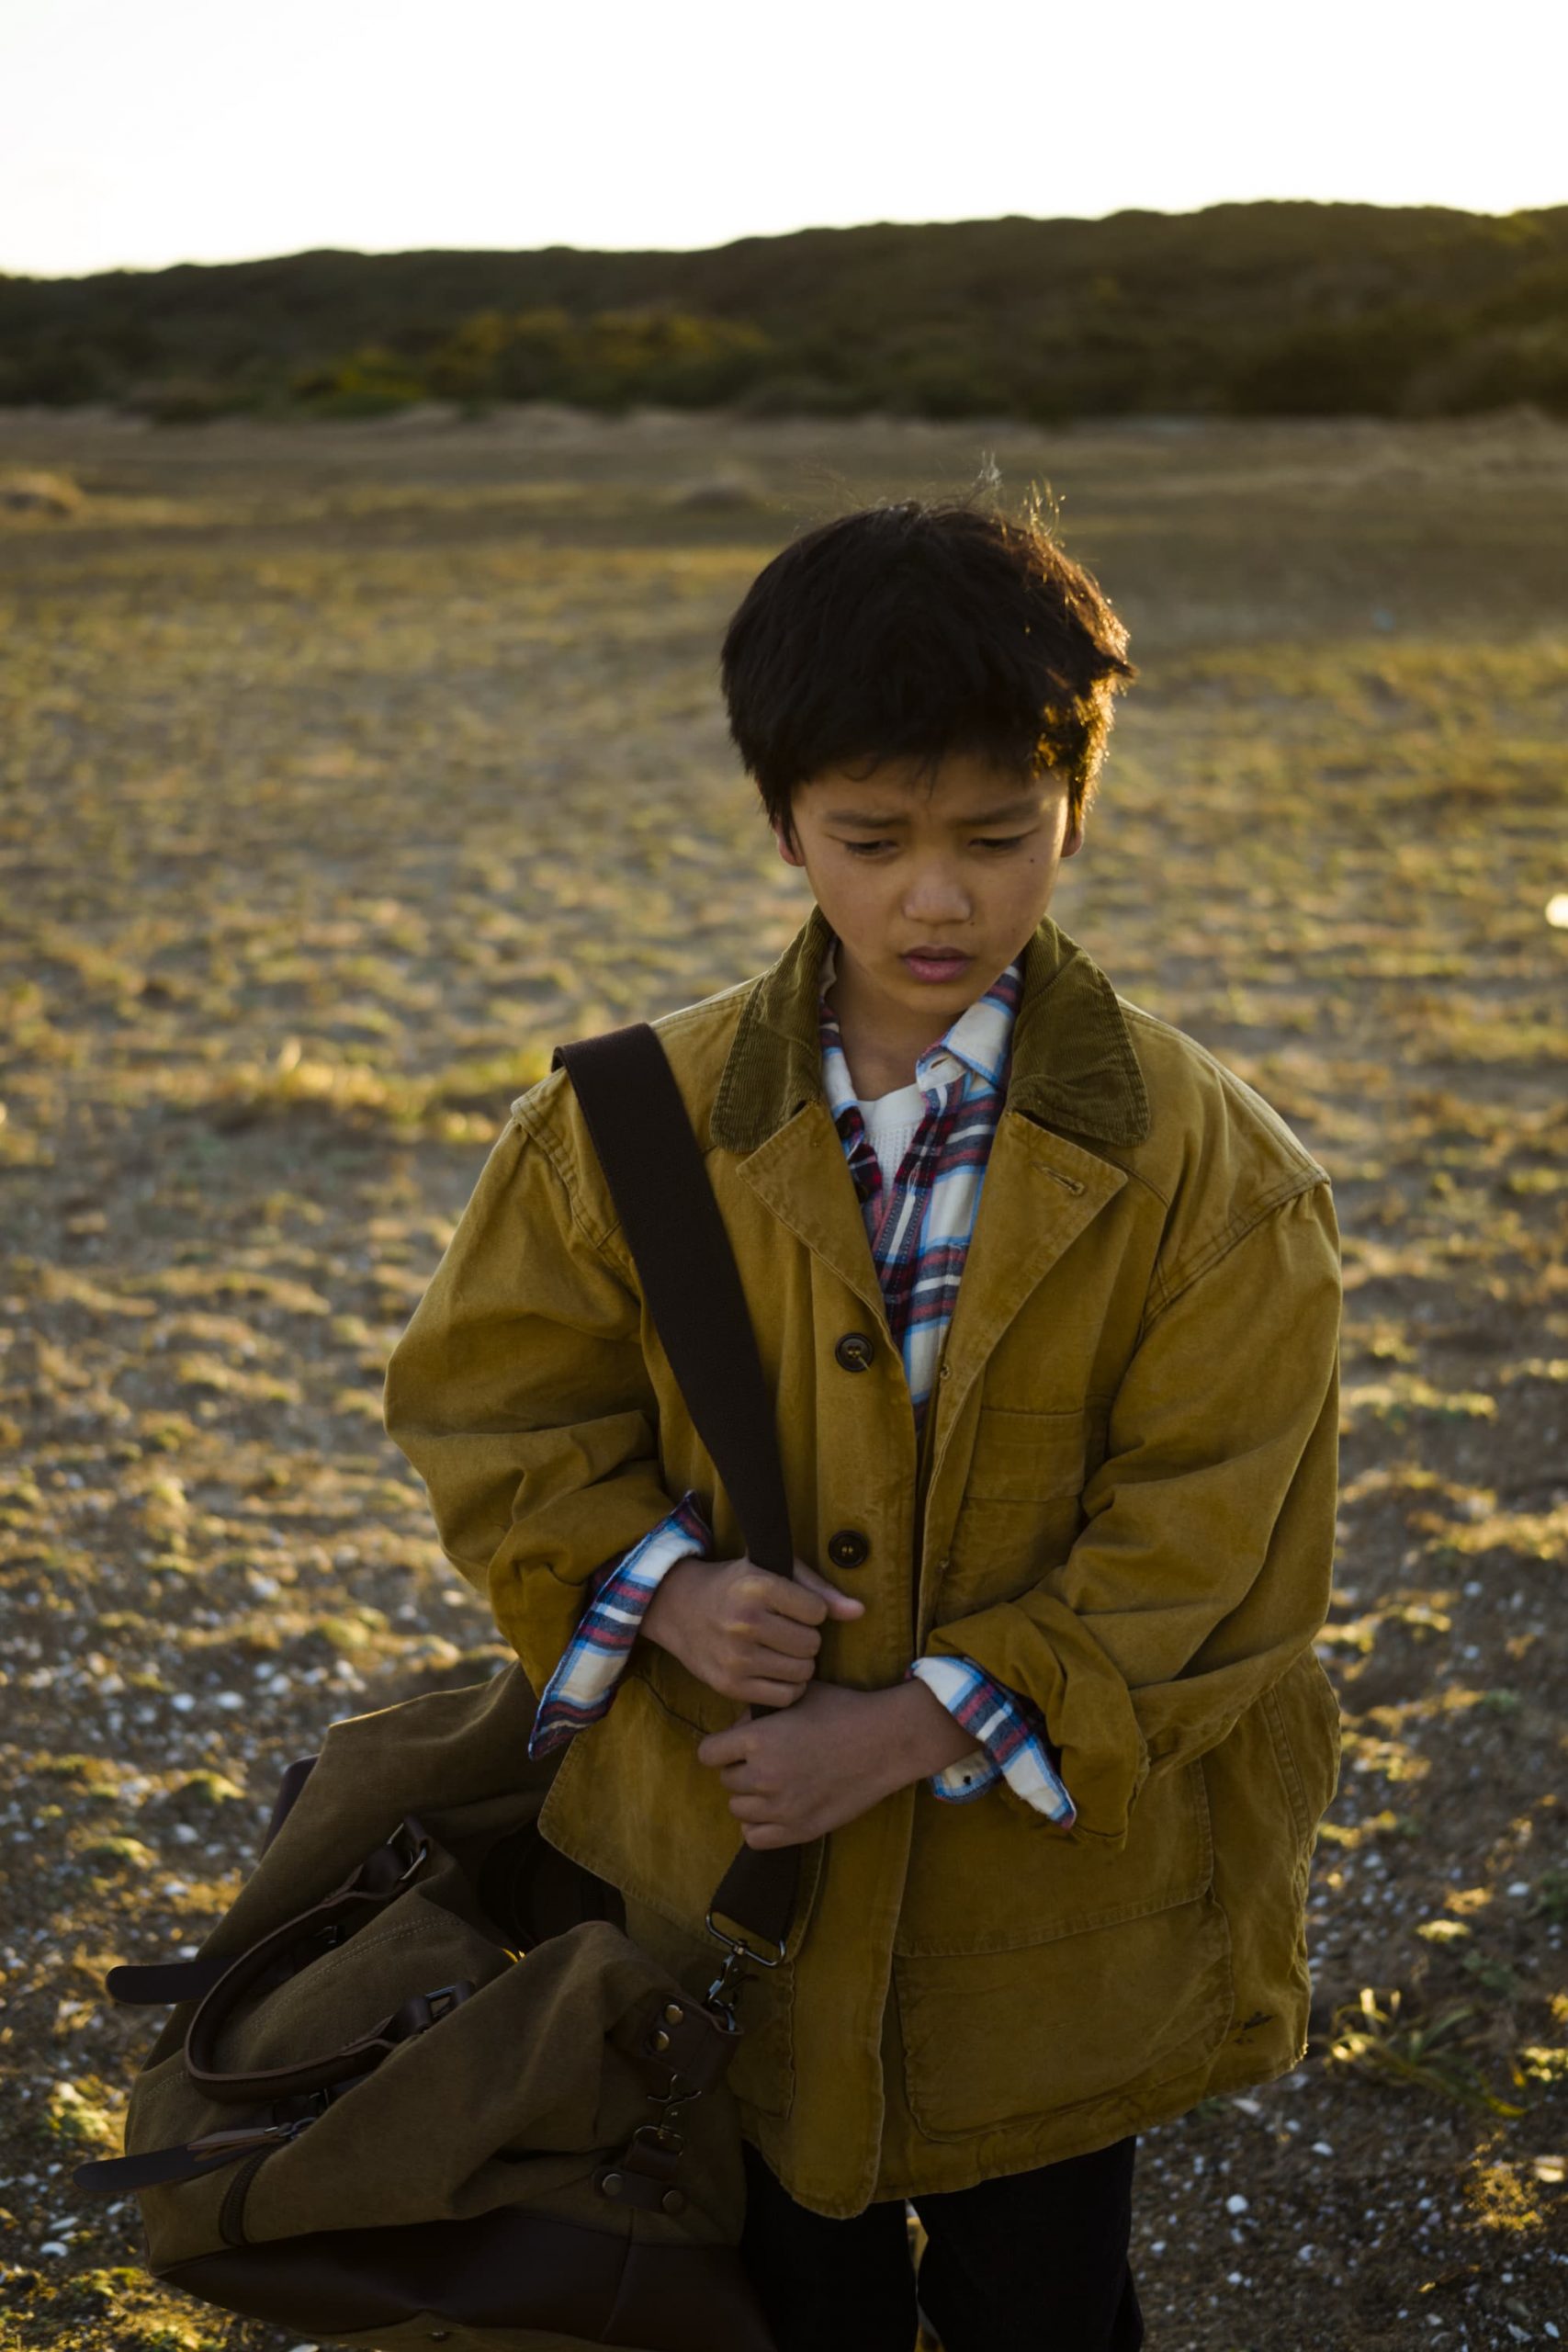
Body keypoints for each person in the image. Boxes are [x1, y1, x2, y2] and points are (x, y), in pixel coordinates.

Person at [382, 489, 1343, 2352]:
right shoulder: (618, 1126)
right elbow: (495, 1409)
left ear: (1075, 809)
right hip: (719, 1899)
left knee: (1043, 2299)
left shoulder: (1216, 1175)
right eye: (871, 839)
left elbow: (1211, 1543)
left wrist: (906, 1725)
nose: (936, 898)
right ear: (781, 823)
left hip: (1047, 1943)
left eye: (996, 836)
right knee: (773, 2298)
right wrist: (662, 1589)